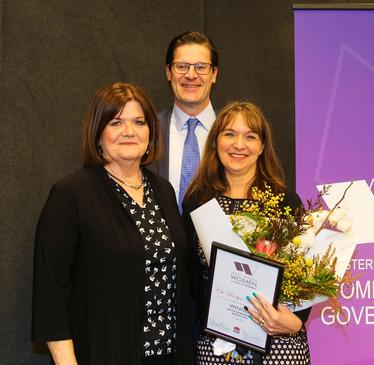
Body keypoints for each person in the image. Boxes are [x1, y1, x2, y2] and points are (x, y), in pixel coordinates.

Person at [32, 82, 194, 365]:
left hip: (170, 355)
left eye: (139, 122)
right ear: (98, 132)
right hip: (105, 351)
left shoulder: (163, 190)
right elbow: (51, 291)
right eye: (116, 122)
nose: (129, 132)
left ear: (150, 133)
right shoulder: (71, 194)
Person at [182, 101, 311, 365]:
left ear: (262, 146)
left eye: (250, 136)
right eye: (229, 134)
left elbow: (305, 275)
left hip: (277, 341)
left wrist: (296, 321)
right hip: (216, 344)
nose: (238, 145)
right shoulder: (197, 201)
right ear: (215, 141)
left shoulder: (285, 201)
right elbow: (190, 276)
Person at [150, 31, 219, 210]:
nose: (190, 75)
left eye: (201, 67)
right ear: (168, 73)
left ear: (214, 74)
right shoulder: (147, 130)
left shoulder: (236, 134)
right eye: (181, 66)